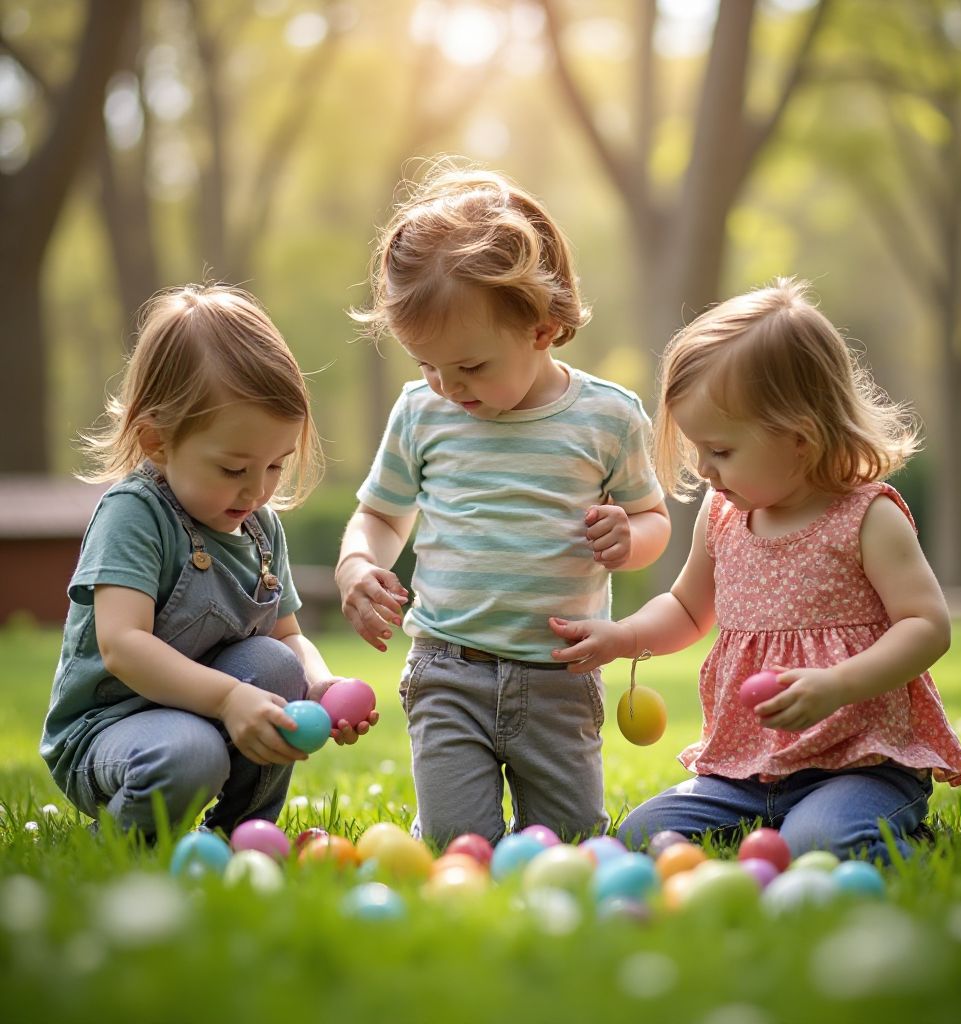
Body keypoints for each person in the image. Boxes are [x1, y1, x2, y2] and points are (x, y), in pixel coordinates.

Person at [549, 277, 961, 863]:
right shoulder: (724, 514)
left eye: (721, 451)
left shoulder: (865, 517)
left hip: (860, 763)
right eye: (699, 449)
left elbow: (927, 625)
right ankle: (767, 826)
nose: (705, 469)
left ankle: (889, 829)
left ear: (800, 438)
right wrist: (624, 637)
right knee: (639, 836)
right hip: (745, 775)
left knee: (820, 844)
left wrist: (839, 684)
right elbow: (685, 608)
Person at [337, 161, 671, 847]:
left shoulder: (609, 418)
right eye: (426, 364)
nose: (448, 385)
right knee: (460, 845)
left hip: (558, 677)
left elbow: (654, 520)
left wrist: (629, 538)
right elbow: (381, 514)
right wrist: (356, 566)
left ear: (543, 328)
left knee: (572, 844)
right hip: (447, 670)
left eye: (471, 367)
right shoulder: (421, 413)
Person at [41, 284, 377, 839]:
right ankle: (127, 848)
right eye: (233, 468)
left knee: (277, 668)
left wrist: (317, 686)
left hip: (204, 713)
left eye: (275, 466)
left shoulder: (258, 527)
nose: (258, 490)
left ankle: (241, 837)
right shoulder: (135, 516)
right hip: (110, 729)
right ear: (157, 441)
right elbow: (121, 646)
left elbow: (288, 637)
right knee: (191, 753)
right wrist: (228, 697)